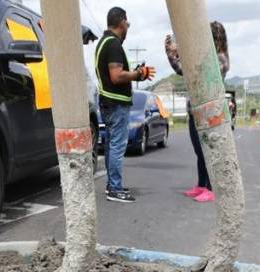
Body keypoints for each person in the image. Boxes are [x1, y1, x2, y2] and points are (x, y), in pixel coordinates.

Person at [95, 6, 155, 204]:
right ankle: (115, 188)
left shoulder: (104, 42)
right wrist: (139, 74)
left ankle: (112, 185)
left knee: (112, 145)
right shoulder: (113, 45)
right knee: (118, 147)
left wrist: (136, 72)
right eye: (127, 23)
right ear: (122, 22)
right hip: (116, 104)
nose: (128, 27)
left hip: (108, 102)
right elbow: (116, 75)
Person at [165, 22, 229, 203]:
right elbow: (183, 70)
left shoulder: (220, 58)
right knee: (199, 151)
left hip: (209, 115)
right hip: (195, 112)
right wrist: (171, 55)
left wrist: (181, 51)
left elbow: (200, 72)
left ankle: (210, 187)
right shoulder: (204, 56)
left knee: (207, 151)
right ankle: (201, 185)